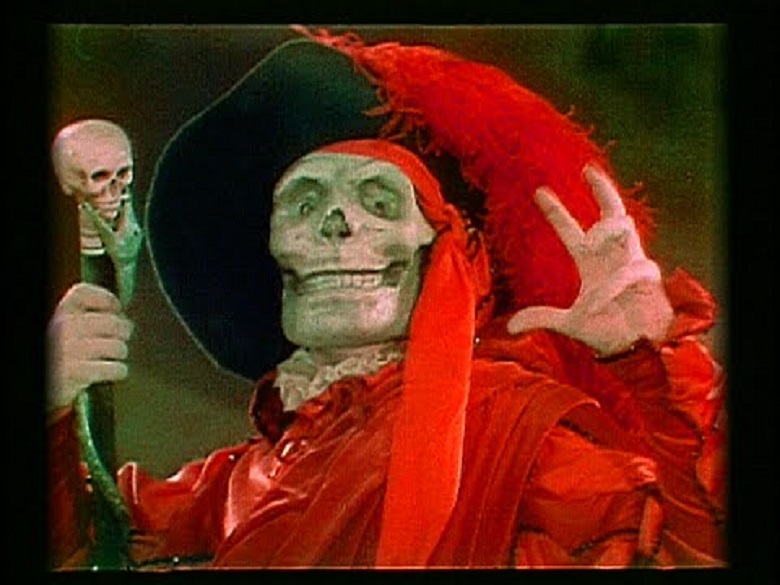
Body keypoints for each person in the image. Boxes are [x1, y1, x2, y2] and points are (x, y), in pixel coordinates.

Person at [47, 30, 726, 569]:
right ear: (275, 255)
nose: (337, 223)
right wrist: (49, 405)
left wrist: (656, 363)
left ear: (448, 255)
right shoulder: (234, 483)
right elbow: (79, 544)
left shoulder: (521, 442)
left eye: (379, 201)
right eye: (303, 203)